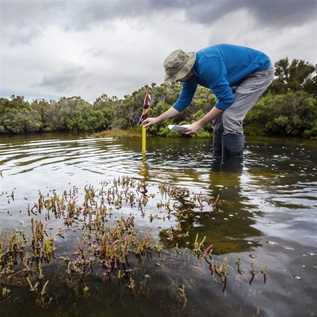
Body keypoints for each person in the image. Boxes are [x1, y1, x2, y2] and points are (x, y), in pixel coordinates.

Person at [142, 44, 274, 166]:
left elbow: (226, 100)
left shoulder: (207, 65)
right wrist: (157, 119)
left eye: (177, 76)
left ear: (186, 69)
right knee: (218, 119)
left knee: (230, 115)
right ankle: (217, 164)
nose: (177, 80)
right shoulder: (190, 77)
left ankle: (232, 171)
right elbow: (183, 102)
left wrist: (199, 124)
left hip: (258, 71)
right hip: (238, 78)